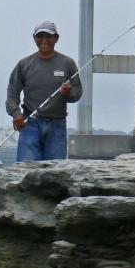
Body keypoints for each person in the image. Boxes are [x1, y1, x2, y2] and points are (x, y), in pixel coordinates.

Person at [6, 21, 82, 162]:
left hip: (57, 125)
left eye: (48, 36)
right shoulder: (24, 64)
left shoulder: (68, 63)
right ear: (34, 38)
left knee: (55, 172)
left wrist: (67, 93)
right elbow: (12, 92)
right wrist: (16, 114)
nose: (44, 41)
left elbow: (77, 93)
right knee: (26, 169)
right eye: (40, 36)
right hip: (30, 124)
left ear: (56, 38)